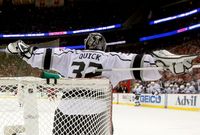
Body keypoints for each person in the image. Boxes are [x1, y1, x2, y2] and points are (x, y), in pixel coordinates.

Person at [5, 32, 197, 134]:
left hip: (65, 113)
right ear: (103, 47)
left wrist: (23, 50)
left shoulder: (70, 55)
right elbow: (140, 65)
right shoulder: (111, 58)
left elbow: (38, 56)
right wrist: (161, 64)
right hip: (97, 114)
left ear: (86, 45)